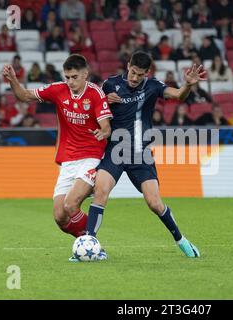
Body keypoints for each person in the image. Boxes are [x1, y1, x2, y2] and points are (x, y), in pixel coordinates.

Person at [86, 51, 205, 259]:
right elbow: (92, 108)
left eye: (140, 75)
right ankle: (88, 244)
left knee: (154, 203)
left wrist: (187, 85)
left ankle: (181, 240)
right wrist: (104, 99)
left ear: (146, 73)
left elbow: (178, 95)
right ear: (128, 65)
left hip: (141, 154)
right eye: (132, 72)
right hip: (115, 149)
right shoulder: (110, 84)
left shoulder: (152, 86)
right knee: (101, 191)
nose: (134, 78)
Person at [2, 54, 113, 259]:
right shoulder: (58, 90)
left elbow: (106, 126)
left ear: (85, 74)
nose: (70, 81)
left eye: (74, 77)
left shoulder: (96, 94)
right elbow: (25, 96)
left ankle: (92, 245)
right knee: (60, 216)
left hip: (91, 156)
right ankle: (89, 246)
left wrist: (103, 132)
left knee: (71, 205)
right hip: (68, 159)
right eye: (67, 77)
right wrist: (13, 81)